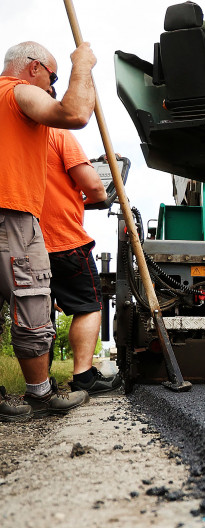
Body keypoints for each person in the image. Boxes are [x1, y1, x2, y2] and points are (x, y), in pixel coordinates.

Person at [0, 40, 97, 422]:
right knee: (33, 301)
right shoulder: (18, 90)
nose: (51, 87)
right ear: (34, 68)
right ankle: (40, 395)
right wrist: (82, 65)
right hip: (12, 214)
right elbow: (74, 112)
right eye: (52, 78)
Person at [41, 129, 123, 394]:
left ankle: (40, 383)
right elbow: (96, 189)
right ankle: (84, 376)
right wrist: (94, 187)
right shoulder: (56, 132)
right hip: (62, 240)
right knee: (87, 305)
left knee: (37, 312)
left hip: (20, 241)